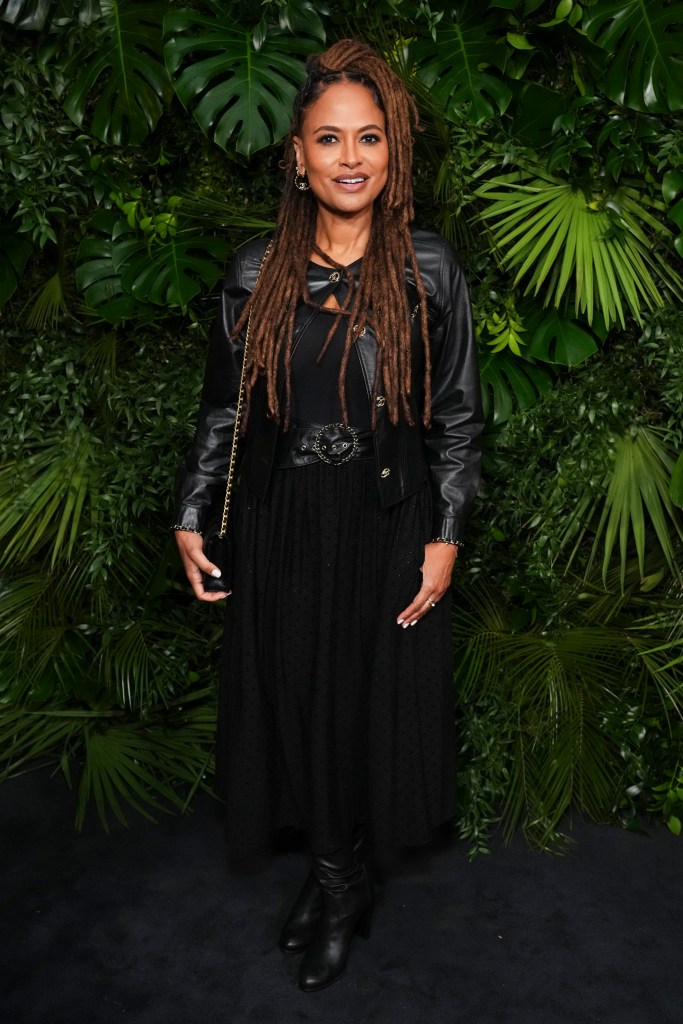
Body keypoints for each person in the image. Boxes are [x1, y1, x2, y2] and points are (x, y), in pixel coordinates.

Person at [173, 39, 483, 992]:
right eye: (328, 139)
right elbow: (225, 409)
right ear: (297, 158)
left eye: (369, 138)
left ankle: (339, 885)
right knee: (295, 701)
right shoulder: (256, 269)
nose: (350, 157)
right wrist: (193, 512)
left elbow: (460, 418)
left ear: (391, 157)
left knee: (360, 708)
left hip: (384, 517)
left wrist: (445, 533)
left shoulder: (429, 269)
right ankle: (333, 874)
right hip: (280, 520)